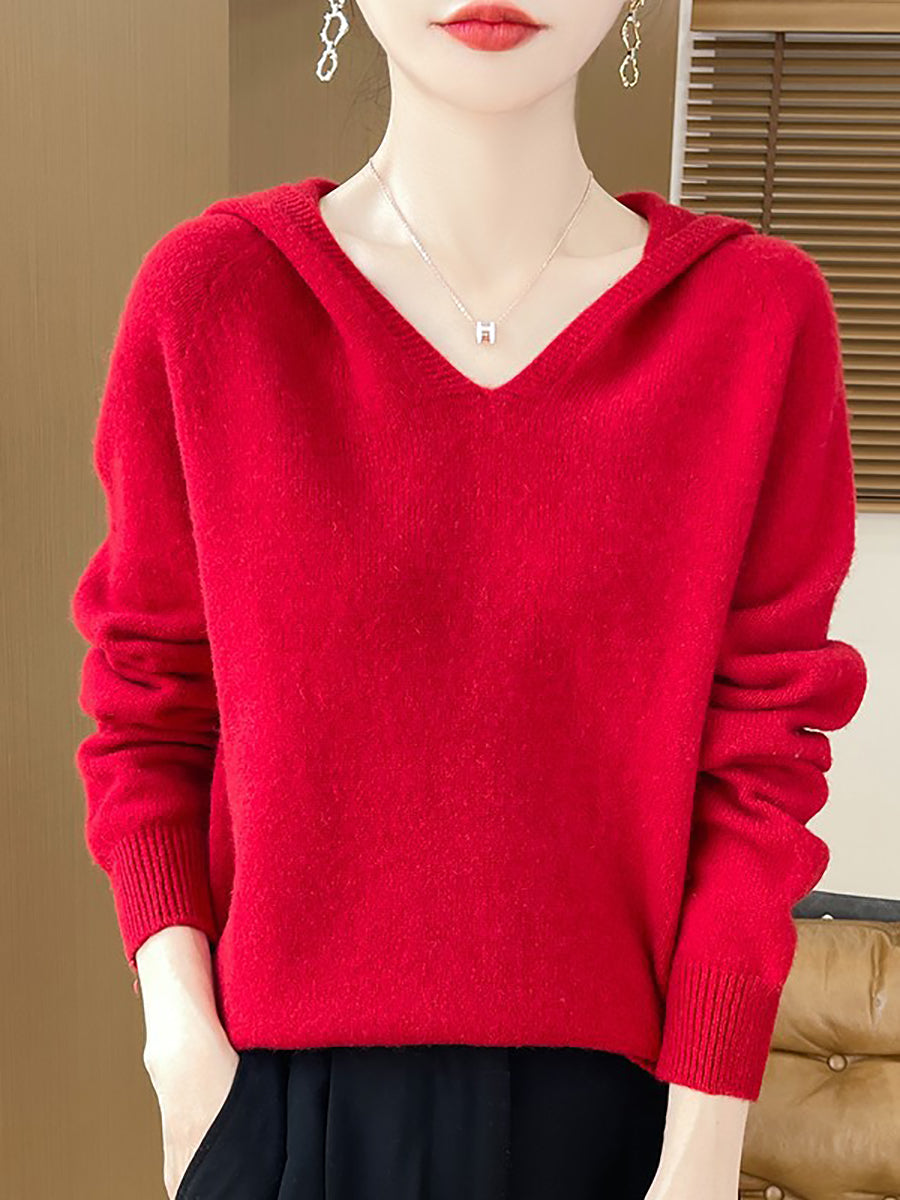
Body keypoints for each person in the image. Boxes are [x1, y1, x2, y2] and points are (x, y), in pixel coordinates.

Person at [69, 1, 868, 1198]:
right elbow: (149, 704)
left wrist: (704, 1138)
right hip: (277, 1107)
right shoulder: (216, 297)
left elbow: (763, 755)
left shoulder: (752, 317)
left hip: (626, 1117)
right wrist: (181, 1047)